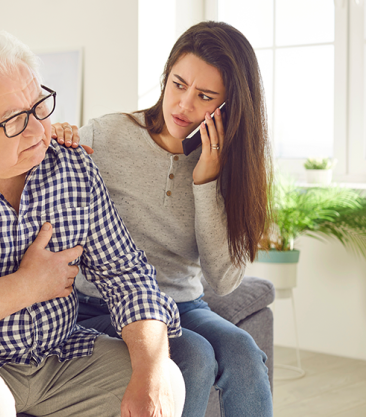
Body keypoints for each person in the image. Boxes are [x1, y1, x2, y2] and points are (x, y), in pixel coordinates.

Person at [0, 31, 186, 417]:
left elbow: (126, 274)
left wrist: (149, 370)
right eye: (13, 121)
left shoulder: (73, 167)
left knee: (165, 379)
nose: (40, 131)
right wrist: (25, 286)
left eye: (40, 106)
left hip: (57, 354)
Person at [53, 21, 273, 417]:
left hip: (184, 304)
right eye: (178, 84)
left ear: (229, 107)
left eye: (205, 96)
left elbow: (223, 280)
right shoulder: (107, 135)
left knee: (243, 354)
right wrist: (57, 139)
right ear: (165, 78)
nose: (184, 105)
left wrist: (206, 179)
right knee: (195, 355)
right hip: (103, 304)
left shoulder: (231, 168)